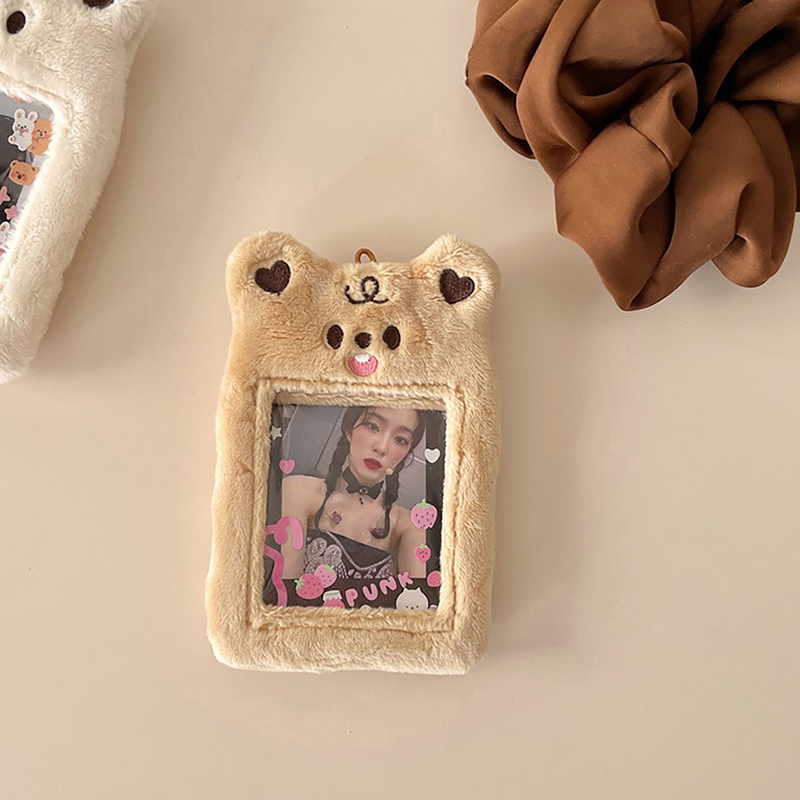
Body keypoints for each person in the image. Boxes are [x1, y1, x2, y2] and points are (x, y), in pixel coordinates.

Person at [280, 406, 428, 582]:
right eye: (372, 426)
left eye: (400, 440)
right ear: (349, 430)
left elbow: (417, 597)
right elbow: (284, 589)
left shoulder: (408, 525)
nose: (381, 448)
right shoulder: (298, 491)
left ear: (406, 454)